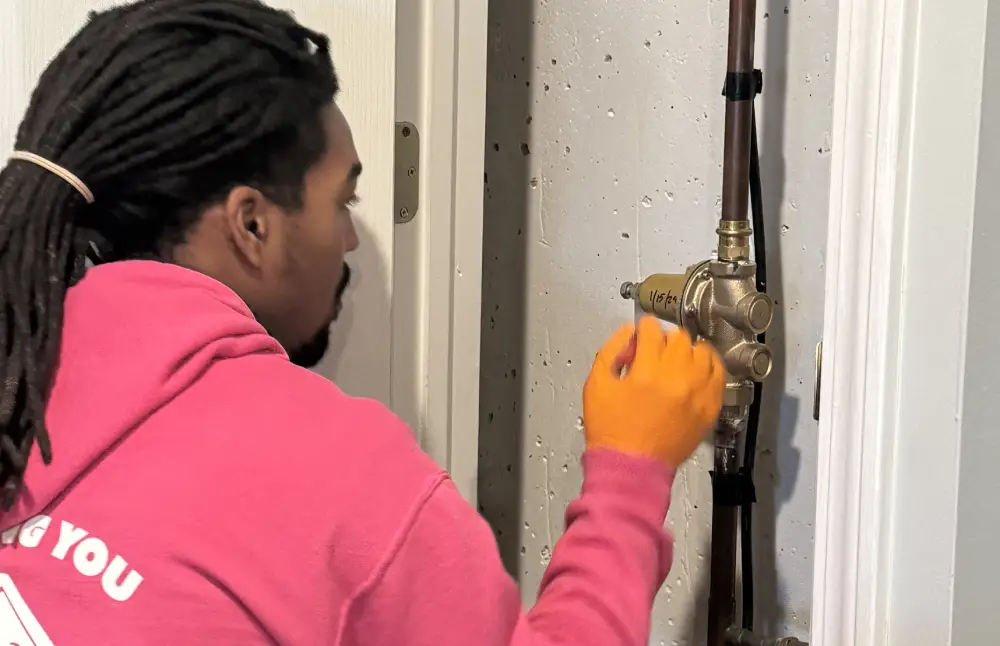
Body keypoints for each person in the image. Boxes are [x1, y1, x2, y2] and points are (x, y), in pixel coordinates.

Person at [0, 1, 726, 644]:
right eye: (342, 200)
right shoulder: (333, 474)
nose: (348, 239)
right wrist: (632, 471)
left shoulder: (21, 373)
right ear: (252, 224)